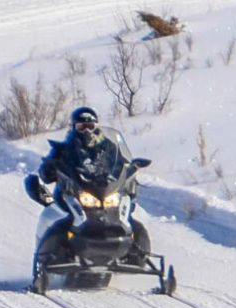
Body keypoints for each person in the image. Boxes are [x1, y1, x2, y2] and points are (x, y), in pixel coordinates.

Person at [25, 107, 149, 267]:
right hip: (74, 193)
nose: (87, 131)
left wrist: (130, 168)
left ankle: (139, 256)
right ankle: (48, 259)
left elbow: (121, 163)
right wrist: (51, 166)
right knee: (63, 222)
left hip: (104, 191)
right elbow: (46, 172)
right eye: (82, 127)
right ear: (74, 128)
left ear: (96, 126)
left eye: (90, 127)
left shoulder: (108, 147)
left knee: (129, 221)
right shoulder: (65, 149)